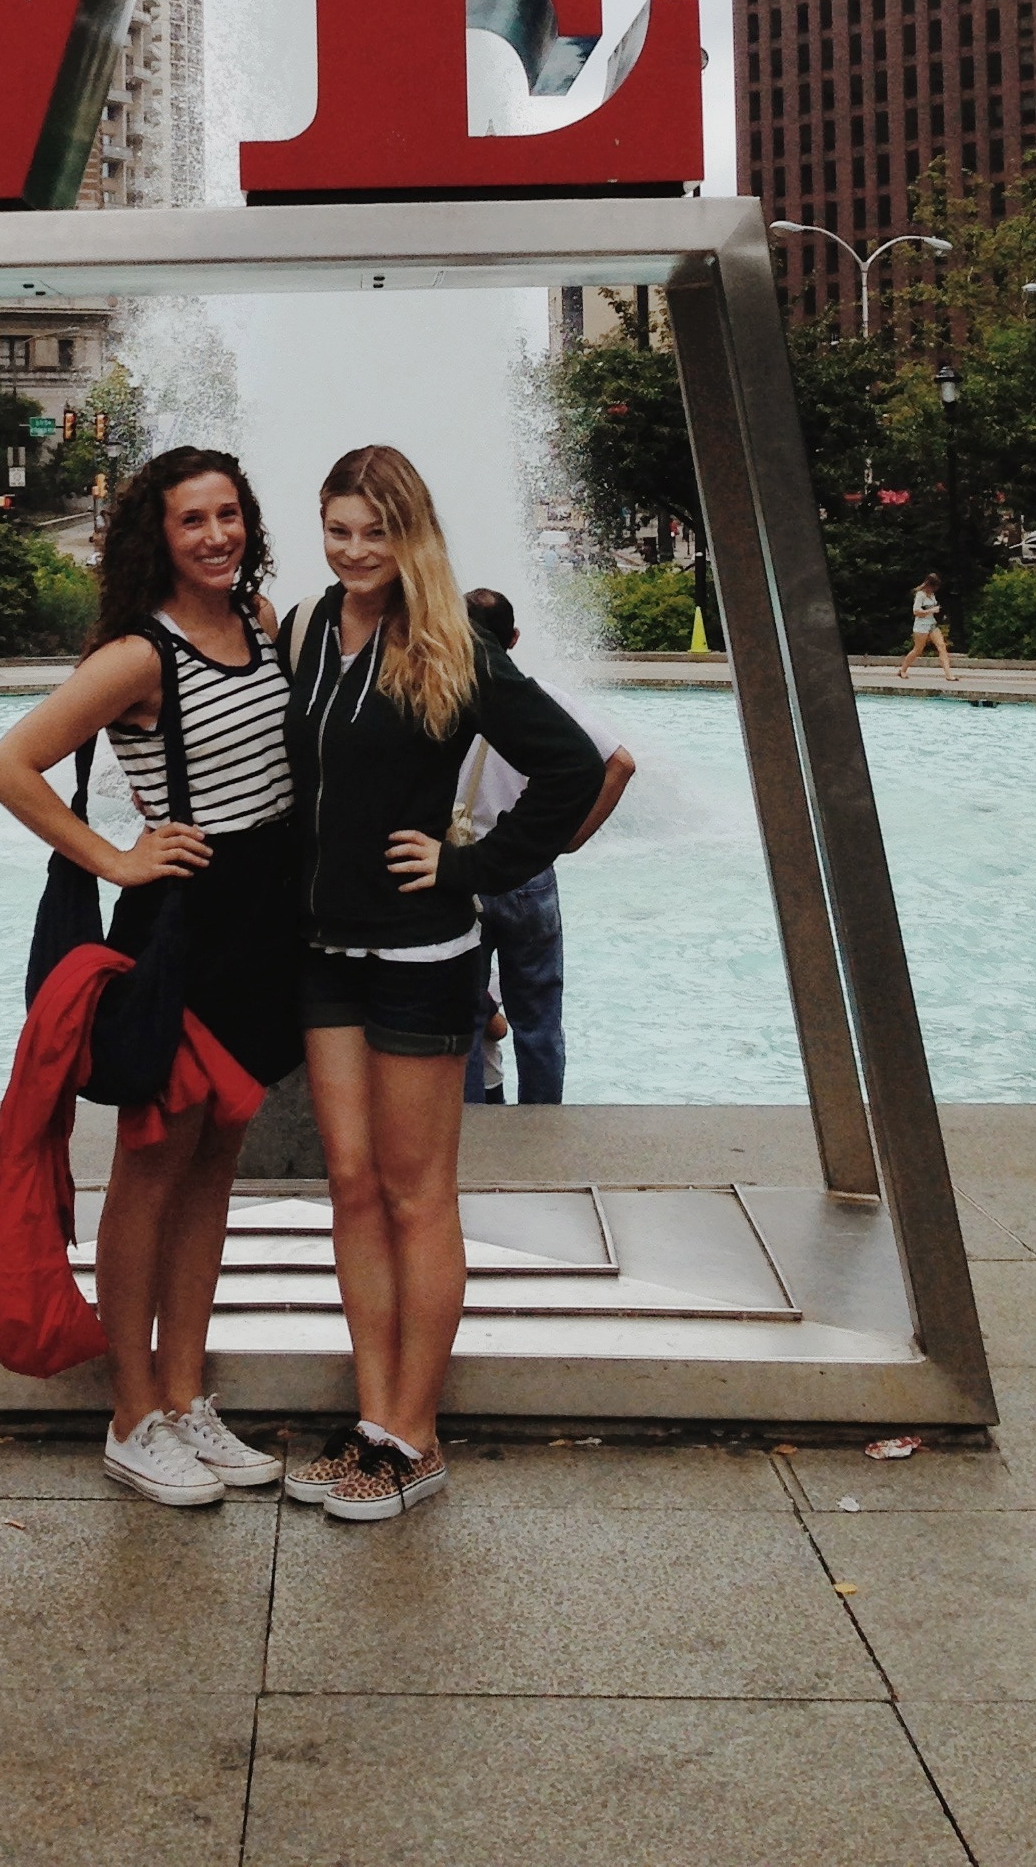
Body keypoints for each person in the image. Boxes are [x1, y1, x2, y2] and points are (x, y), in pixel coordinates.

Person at [279, 445, 601, 1522]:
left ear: (411, 532)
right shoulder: (305, 629)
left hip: (422, 953)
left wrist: (470, 866)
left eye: (375, 531)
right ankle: (374, 1421)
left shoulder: (451, 643)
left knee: (417, 1194)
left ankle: (416, 1435)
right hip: (324, 952)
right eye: (338, 530)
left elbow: (571, 765)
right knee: (352, 1185)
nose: (354, 551)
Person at [0, 447, 300, 1509]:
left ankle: (185, 1396)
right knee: (154, 1168)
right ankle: (131, 1417)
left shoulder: (261, 622)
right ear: (156, 537)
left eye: (228, 514)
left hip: (263, 927)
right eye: (191, 520)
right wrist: (115, 857)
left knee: (214, 1170)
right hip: (183, 929)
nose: (216, 535)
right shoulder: (137, 655)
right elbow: (9, 765)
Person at [457, 587, 636, 1107]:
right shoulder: (545, 699)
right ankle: (543, 1125)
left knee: (462, 1017)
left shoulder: (444, 699)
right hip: (528, 871)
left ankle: (471, 1129)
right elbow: (620, 763)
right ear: (513, 639)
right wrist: (568, 838)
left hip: (462, 870)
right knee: (538, 1018)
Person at [898, 571, 953, 682]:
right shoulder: (920, 595)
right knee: (918, 649)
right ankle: (903, 670)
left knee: (942, 646)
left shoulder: (932, 595)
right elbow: (916, 611)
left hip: (932, 624)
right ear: (929, 585)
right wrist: (931, 610)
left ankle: (948, 674)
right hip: (921, 626)